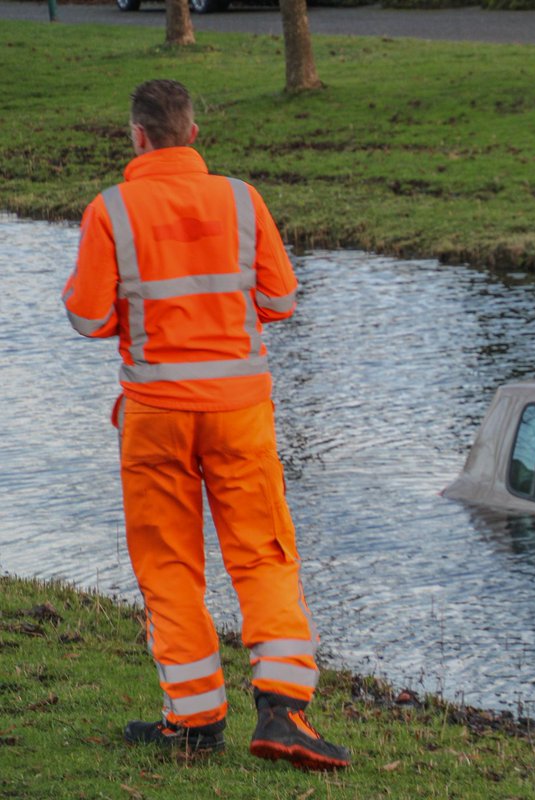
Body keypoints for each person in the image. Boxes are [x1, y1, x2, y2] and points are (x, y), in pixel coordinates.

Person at [62, 79, 350, 771]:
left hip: (155, 414)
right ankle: (283, 711)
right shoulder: (242, 200)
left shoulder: (111, 211)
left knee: (168, 564)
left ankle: (192, 721)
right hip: (241, 413)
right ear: (194, 132)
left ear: (138, 137)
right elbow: (281, 298)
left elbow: (86, 317)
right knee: (262, 552)